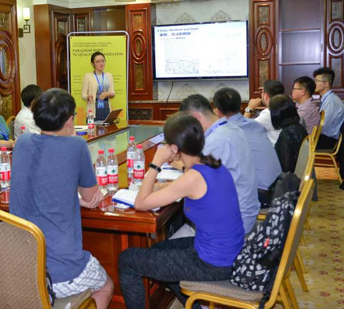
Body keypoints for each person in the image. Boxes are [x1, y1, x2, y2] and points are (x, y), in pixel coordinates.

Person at [118, 113, 244, 309]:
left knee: (127, 260)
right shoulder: (214, 165)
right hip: (229, 251)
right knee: (156, 252)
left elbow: (141, 203)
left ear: (174, 148)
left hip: (213, 263)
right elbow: (189, 188)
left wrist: (155, 163)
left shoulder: (192, 178)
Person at [10, 89, 113, 308]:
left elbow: (41, 183)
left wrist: (71, 197)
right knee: (106, 285)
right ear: (69, 119)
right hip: (61, 273)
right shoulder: (76, 146)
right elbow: (92, 196)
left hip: (21, 269)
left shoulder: (23, 142)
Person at [180, 94, 258, 234]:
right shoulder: (231, 128)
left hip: (231, 225)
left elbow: (193, 183)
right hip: (243, 212)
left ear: (196, 117)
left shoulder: (216, 141)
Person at [212, 88, 282, 198]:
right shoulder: (254, 125)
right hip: (278, 187)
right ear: (240, 107)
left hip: (260, 194)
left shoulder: (226, 132)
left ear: (217, 111)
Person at [270, 95, 309, 173]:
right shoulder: (299, 127)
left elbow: (284, 167)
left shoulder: (286, 134)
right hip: (302, 173)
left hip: (289, 177)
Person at [313, 67, 344, 149]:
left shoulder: (330, 101)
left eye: (317, 81)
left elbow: (322, 126)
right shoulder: (328, 99)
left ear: (326, 84)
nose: (314, 83)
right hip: (323, 138)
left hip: (327, 140)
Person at [244, 80, 285, 145]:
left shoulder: (268, 113)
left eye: (262, 92)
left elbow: (243, 128)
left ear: (266, 96)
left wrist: (249, 108)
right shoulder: (284, 108)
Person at [81, 52, 115, 122]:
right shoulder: (88, 76)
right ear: (92, 63)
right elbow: (83, 95)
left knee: (108, 128)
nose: (101, 63)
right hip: (93, 111)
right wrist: (87, 97)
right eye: (98, 61)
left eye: (103, 61)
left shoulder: (109, 75)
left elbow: (113, 93)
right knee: (92, 129)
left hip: (106, 109)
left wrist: (107, 94)